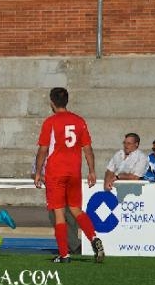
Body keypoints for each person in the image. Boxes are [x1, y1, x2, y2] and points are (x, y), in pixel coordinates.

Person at [34, 87, 104, 263]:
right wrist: (92, 171)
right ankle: (94, 238)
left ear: (51, 102)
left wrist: (37, 171)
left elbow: (43, 150)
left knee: (59, 213)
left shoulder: (50, 122)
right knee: (75, 209)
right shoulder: (79, 121)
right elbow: (87, 149)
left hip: (56, 172)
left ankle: (64, 254)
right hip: (74, 172)